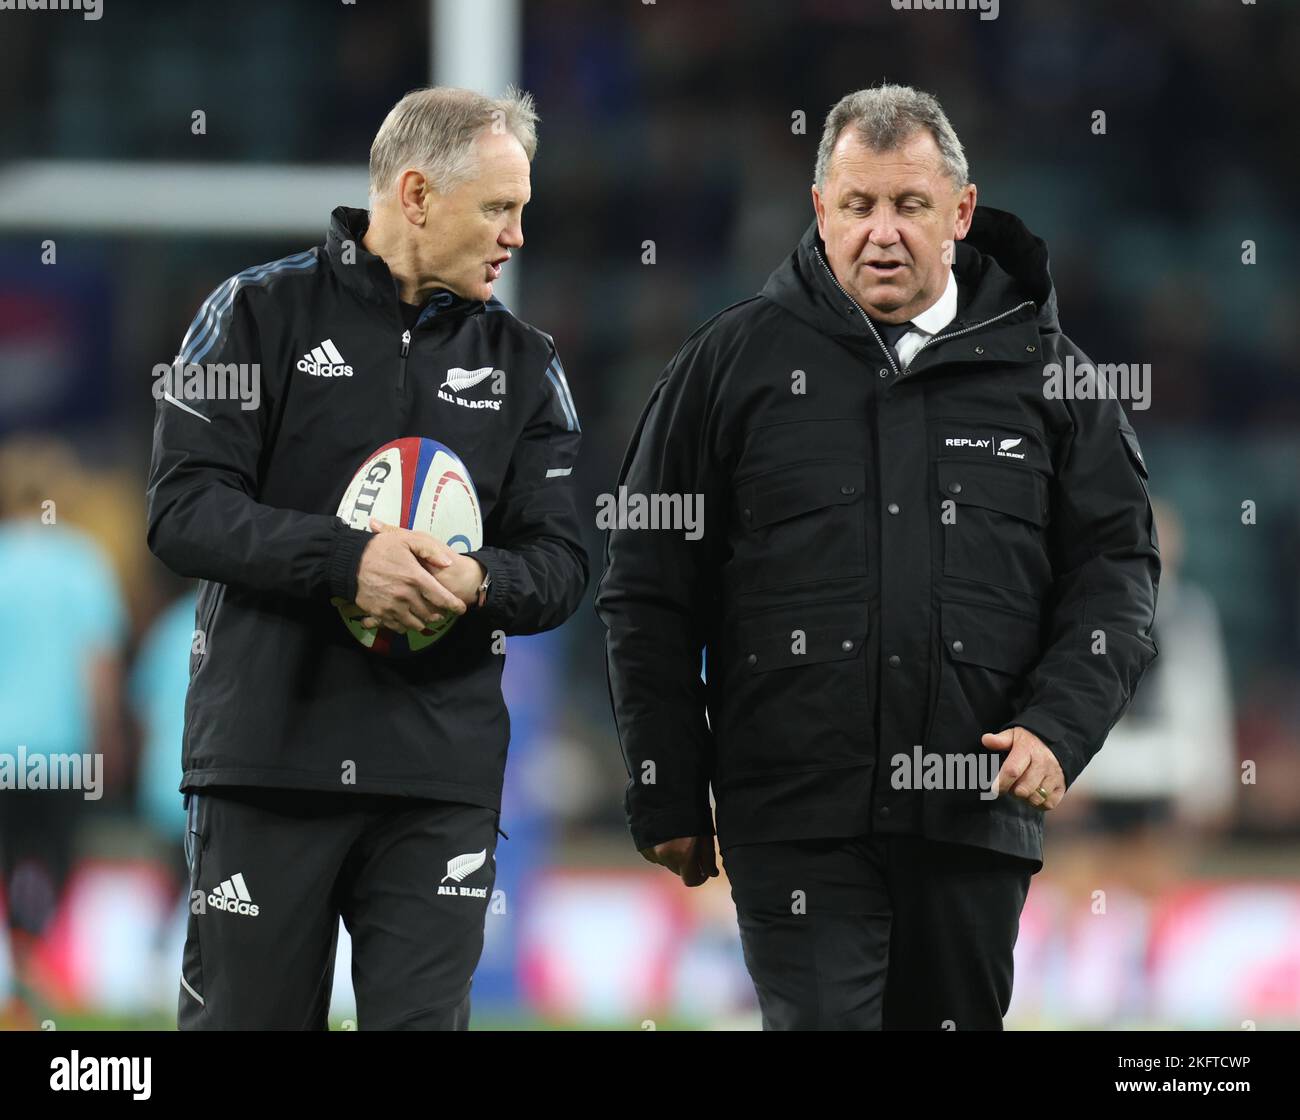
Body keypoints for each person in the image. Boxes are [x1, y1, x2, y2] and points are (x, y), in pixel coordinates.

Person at [595, 83, 1160, 1030]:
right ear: (820, 210)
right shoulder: (727, 365)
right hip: (795, 819)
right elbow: (647, 592)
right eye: (858, 206)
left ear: (962, 215)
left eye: (910, 206)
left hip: (972, 815)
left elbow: (1117, 573)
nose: (883, 232)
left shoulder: (1057, 379)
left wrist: (1059, 731)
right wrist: (666, 787)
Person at [147, 86, 587, 1030]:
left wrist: (482, 581)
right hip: (270, 761)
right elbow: (183, 510)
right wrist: (349, 561)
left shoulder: (526, 362)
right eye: (498, 209)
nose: (516, 235)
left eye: (523, 210)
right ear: (419, 195)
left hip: (437, 780)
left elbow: (563, 561)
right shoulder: (255, 314)